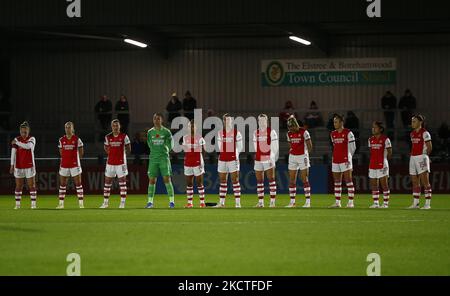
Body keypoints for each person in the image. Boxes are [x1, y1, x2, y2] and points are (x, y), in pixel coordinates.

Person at [99, 119, 131, 209]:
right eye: (114, 126)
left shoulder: (124, 136)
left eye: (117, 126)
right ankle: (105, 203)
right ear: (111, 127)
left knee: (122, 183)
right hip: (110, 163)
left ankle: (122, 203)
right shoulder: (108, 137)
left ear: (120, 126)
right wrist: (111, 154)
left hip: (121, 163)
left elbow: (129, 148)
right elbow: (106, 147)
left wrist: (123, 155)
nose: (115, 127)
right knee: (107, 182)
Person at [146, 113, 175, 208]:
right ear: (153, 120)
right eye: (155, 119)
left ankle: (171, 202)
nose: (156, 120)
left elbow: (171, 145)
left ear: (161, 120)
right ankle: (150, 202)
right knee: (152, 180)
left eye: (158, 119)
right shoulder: (150, 132)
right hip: (153, 159)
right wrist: (155, 151)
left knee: (167, 179)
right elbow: (149, 144)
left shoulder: (166, 132)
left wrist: (166, 150)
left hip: (163, 158)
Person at [216, 114, 243, 208]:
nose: (227, 121)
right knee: (223, 181)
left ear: (231, 121)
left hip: (233, 159)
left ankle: (238, 203)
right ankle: (222, 203)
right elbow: (220, 147)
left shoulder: (236, 133)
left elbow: (240, 147)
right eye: (225, 120)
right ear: (223, 121)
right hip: (222, 159)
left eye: (228, 120)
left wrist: (235, 155)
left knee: (235, 180)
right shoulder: (220, 133)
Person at [329, 114, 356, 208]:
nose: (334, 124)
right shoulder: (333, 134)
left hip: (345, 159)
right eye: (334, 122)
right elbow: (335, 146)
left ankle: (351, 202)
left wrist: (349, 157)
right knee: (337, 181)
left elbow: (353, 148)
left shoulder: (348, 133)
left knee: (348, 180)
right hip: (335, 159)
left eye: (336, 122)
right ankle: (337, 202)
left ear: (341, 122)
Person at [286, 115, 313, 208]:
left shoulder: (304, 132)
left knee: (304, 179)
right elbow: (290, 145)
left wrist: (306, 155)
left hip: (303, 157)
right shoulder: (289, 133)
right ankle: (292, 202)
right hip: (292, 157)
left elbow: (310, 146)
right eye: (289, 128)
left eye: (292, 127)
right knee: (292, 180)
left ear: (295, 125)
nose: (291, 130)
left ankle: (308, 202)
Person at [57, 122, 85, 209]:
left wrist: (77, 160)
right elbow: (61, 152)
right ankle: (61, 204)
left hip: (75, 165)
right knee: (62, 184)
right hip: (64, 165)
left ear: (72, 129)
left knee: (78, 184)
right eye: (66, 127)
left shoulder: (77, 139)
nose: (67, 129)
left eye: (69, 127)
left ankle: (81, 203)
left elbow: (81, 151)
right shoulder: (61, 140)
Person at [10, 121, 37, 209]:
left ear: (28, 131)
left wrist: (16, 142)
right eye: (22, 132)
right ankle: (17, 205)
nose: (24, 134)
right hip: (18, 166)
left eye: (25, 132)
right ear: (20, 131)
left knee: (31, 185)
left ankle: (33, 205)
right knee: (18, 186)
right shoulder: (17, 138)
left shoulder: (32, 139)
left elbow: (28, 146)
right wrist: (11, 165)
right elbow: (13, 153)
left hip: (29, 165)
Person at [253, 114, 279, 208]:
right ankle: (261, 202)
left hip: (268, 157)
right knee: (259, 181)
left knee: (271, 179)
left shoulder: (271, 131)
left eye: (264, 120)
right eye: (260, 120)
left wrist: (272, 157)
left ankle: (272, 202)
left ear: (267, 121)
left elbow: (275, 146)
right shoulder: (256, 132)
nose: (262, 122)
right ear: (258, 121)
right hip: (258, 158)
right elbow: (256, 147)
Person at [408, 114, 432, 210]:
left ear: (420, 122)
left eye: (414, 121)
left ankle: (427, 204)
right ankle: (416, 203)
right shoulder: (412, 133)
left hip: (421, 157)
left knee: (425, 181)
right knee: (414, 181)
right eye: (412, 121)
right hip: (413, 157)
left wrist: (426, 156)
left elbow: (429, 147)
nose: (412, 123)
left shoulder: (425, 133)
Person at [182, 120, 206, 208]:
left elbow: (203, 150)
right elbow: (185, 150)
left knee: (199, 183)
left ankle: (202, 202)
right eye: (189, 126)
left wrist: (200, 160)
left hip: (197, 163)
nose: (191, 128)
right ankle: (190, 203)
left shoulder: (200, 138)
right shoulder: (185, 138)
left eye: (193, 126)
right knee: (189, 184)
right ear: (187, 128)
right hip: (188, 162)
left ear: (196, 128)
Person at [368, 121, 392, 208]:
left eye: (375, 127)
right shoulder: (370, 139)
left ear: (380, 129)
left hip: (382, 163)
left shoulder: (386, 139)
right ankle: (376, 203)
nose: (373, 129)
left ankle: (385, 203)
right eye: (372, 127)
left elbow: (390, 153)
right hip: (372, 163)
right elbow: (371, 152)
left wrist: (385, 160)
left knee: (384, 184)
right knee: (374, 184)